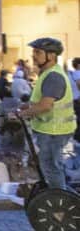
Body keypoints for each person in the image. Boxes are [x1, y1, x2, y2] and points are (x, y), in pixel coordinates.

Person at [17, 37, 76, 191]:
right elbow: (43, 100)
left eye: (37, 52)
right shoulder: (47, 73)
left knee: (51, 167)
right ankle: (60, 196)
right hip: (51, 129)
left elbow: (45, 106)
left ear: (51, 55)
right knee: (51, 166)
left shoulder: (53, 76)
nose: (33, 55)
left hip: (54, 131)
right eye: (33, 52)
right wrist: (27, 106)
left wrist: (22, 114)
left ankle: (59, 202)